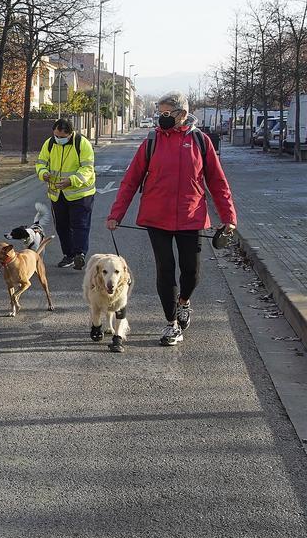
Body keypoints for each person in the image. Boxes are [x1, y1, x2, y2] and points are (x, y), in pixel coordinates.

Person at [107, 91, 236, 347]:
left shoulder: (201, 141)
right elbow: (130, 180)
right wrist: (116, 214)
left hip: (192, 217)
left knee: (191, 271)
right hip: (157, 218)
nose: (162, 118)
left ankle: (184, 302)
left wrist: (228, 217)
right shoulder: (152, 141)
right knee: (165, 270)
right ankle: (171, 324)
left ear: (183, 114)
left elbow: (218, 182)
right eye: (160, 113)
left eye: (167, 113)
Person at [36, 118, 96, 270]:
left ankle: (79, 254)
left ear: (70, 134)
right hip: (57, 194)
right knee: (62, 226)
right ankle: (68, 255)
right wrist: (43, 174)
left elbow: (87, 169)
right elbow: (41, 163)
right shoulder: (49, 143)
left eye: (62, 137)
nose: (58, 139)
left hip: (81, 194)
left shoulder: (82, 144)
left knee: (79, 225)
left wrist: (72, 181)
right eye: (56, 135)